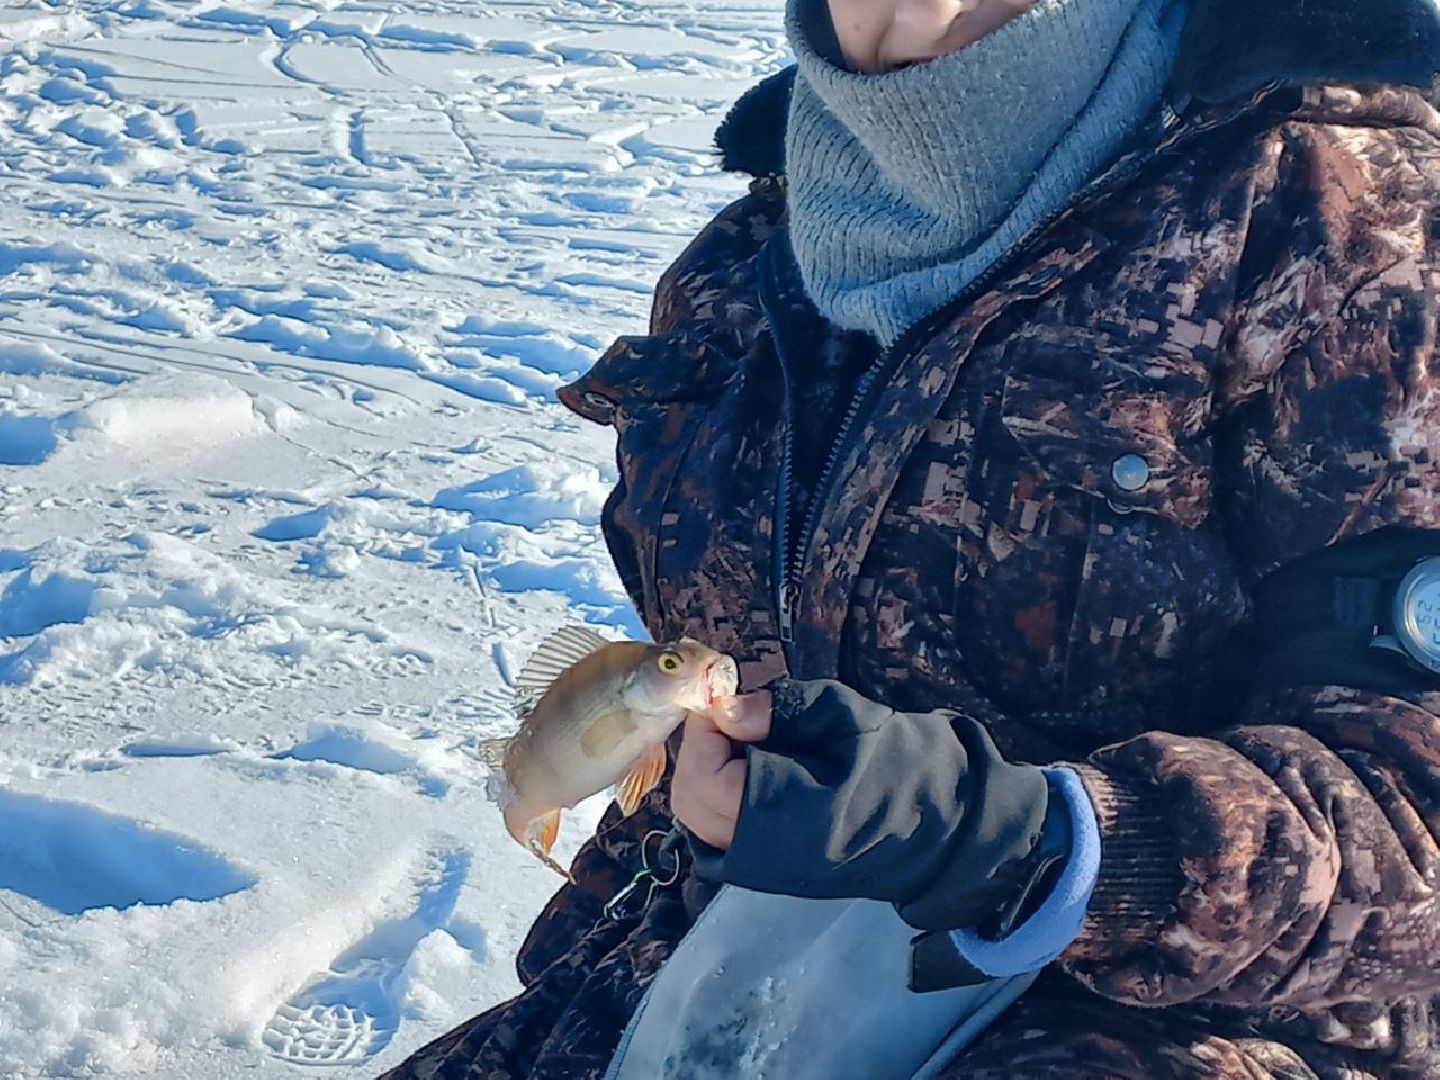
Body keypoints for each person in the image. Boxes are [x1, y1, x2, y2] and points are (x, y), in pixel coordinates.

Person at [386, 0, 1440, 1075]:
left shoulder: (1349, 226)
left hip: (1177, 1030)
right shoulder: (746, 253)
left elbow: (1417, 826)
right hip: (753, 983)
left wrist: (1027, 838)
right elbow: (695, 725)